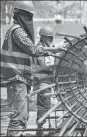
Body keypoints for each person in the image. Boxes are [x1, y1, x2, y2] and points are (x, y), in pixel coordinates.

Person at [0, 1, 52, 136]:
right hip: (16, 78)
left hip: (20, 79)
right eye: (28, 17)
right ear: (22, 15)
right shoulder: (17, 31)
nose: (30, 21)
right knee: (18, 118)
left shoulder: (14, 30)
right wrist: (51, 50)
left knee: (22, 117)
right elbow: (33, 49)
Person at [32, 26, 56, 136]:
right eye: (49, 38)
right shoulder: (39, 50)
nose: (51, 40)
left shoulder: (50, 48)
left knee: (47, 105)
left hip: (48, 81)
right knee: (43, 105)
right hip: (41, 81)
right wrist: (51, 67)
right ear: (42, 38)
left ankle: (42, 126)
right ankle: (41, 127)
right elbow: (38, 68)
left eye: (52, 38)